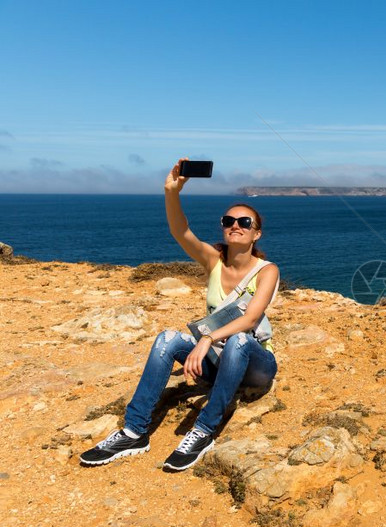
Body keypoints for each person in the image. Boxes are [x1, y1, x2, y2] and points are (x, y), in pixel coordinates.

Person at [80, 158, 280, 471]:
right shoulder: (214, 261)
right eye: (229, 221)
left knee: (240, 339)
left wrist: (207, 339)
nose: (235, 226)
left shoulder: (266, 271)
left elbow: (252, 320)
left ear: (256, 234)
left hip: (256, 365)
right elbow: (180, 230)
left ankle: (204, 430)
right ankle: (135, 431)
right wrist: (171, 192)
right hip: (218, 361)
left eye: (245, 223)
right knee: (167, 339)